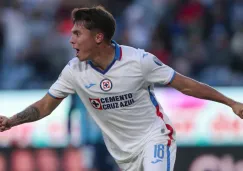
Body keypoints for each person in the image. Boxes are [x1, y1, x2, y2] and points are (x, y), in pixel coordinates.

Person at [0, 5, 243, 171]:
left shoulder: (139, 61)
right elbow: (45, 106)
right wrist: (12, 121)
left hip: (155, 138)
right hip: (123, 153)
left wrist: (231, 102)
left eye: (77, 33)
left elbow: (186, 86)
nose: (71, 39)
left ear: (98, 37)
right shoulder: (74, 71)